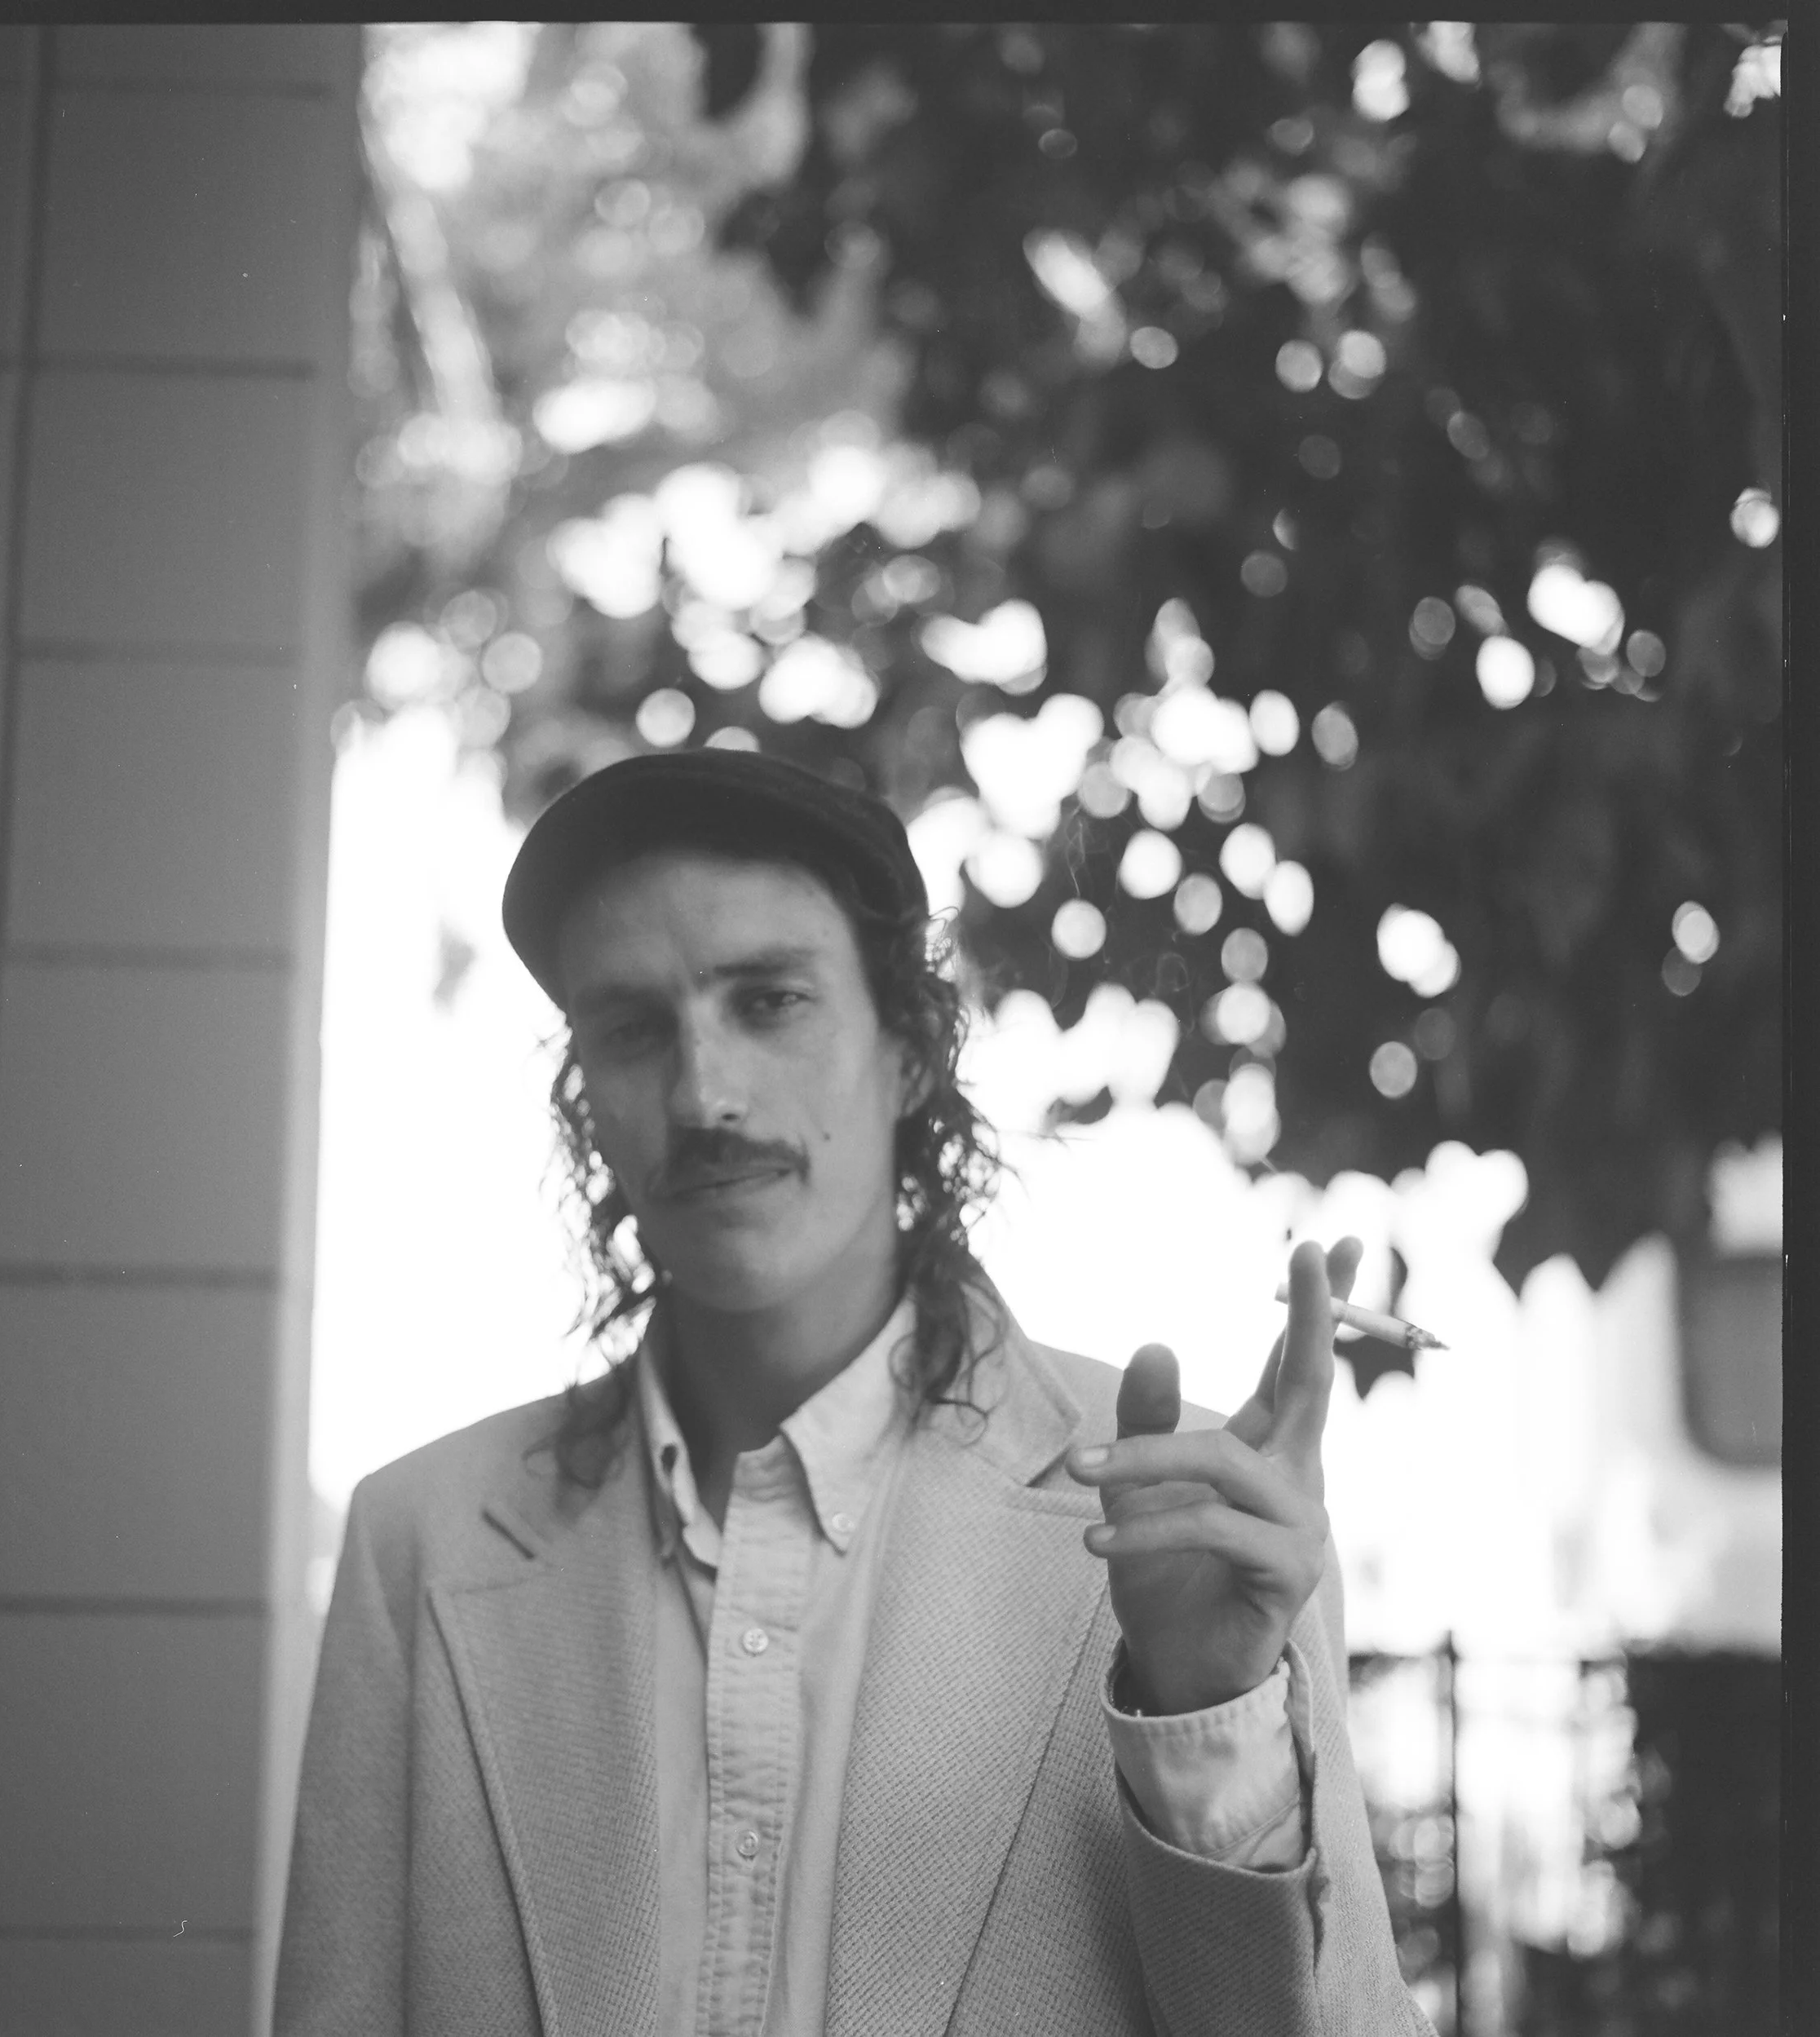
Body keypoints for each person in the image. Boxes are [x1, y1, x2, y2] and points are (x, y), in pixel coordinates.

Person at [275, 749, 1435, 2036]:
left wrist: (1209, 1725)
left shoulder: (1191, 1511)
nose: (706, 1093)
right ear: (585, 1100)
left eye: (769, 1001)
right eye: (631, 1027)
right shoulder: (420, 1543)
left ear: (908, 1050)